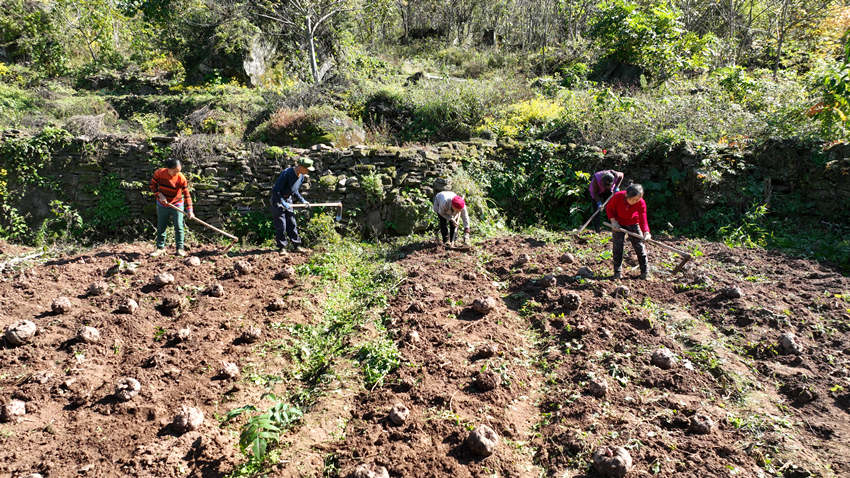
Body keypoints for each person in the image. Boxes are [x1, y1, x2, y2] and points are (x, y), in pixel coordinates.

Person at [149, 158, 194, 257]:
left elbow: (187, 195)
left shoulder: (181, 178)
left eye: (179, 171)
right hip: (162, 204)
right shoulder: (159, 173)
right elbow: (152, 186)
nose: (177, 173)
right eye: (175, 171)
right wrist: (159, 194)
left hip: (177, 204)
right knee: (161, 226)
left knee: (179, 227)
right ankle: (160, 248)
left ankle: (180, 249)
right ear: (168, 168)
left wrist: (190, 210)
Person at [605, 183, 651, 280]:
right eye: (633, 199)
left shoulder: (641, 203)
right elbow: (609, 208)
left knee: (639, 247)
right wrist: (613, 221)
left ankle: (645, 272)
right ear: (627, 195)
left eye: (637, 200)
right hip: (618, 223)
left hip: (633, 223)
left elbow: (643, 218)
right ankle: (617, 273)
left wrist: (646, 232)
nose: (635, 202)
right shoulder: (618, 197)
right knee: (618, 247)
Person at [270, 158, 314, 253]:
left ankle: (296, 246)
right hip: (278, 199)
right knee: (281, 225)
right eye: (307, 169)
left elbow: (295, 191)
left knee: (292, 222)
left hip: (288, 199)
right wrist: (282, 203)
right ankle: (282, 248)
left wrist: (303, 200)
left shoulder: (301, 177)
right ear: (301, 167)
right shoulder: (286, 173)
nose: (308, 172)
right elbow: (276, 190)